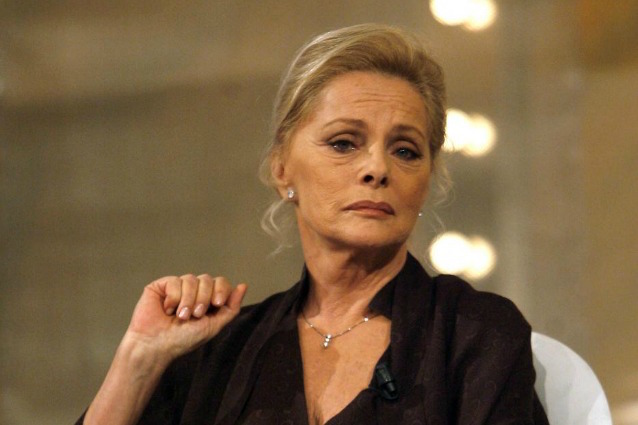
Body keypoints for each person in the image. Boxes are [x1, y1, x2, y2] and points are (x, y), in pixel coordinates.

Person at [78, 24, 549, 425]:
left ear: (426, 182)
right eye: (344, 143)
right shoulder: (217, 350)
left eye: (405, 150)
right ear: (282, 169)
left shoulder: (474, 334)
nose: (377, 168)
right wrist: (141, 358)